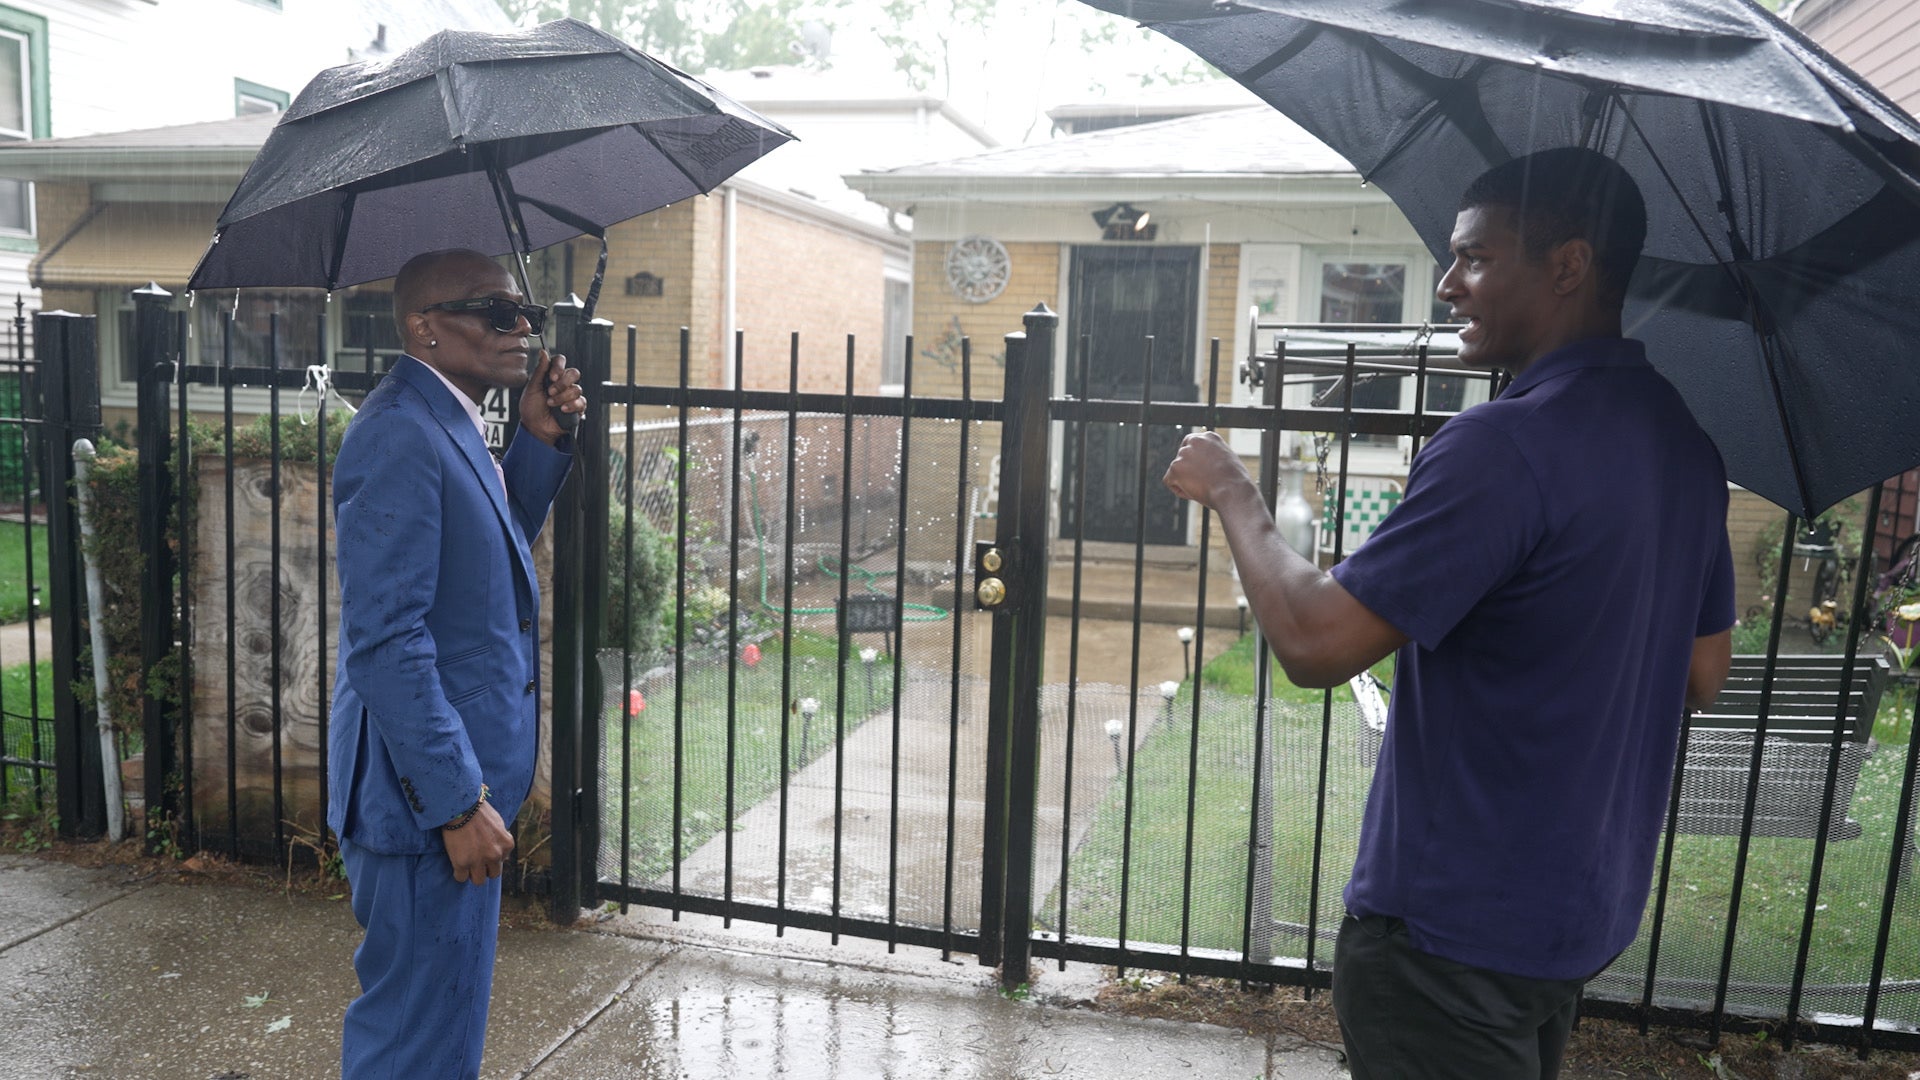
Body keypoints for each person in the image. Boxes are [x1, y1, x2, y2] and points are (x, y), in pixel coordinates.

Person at [1163, 147, 1734, 1079]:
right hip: (1573, 921)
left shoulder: (1504, 445)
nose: (1448, 283)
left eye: (1474, 257)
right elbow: (1703, 671)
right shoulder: (1684, 444)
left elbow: (1314, 643)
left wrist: (1234, 492)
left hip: (1447, 945)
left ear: (1568, 265)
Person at [326, 248, 585, 1079]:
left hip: (457, 793)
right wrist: (454, 801)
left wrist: (539, 442)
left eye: (525, 313)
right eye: (493, 310)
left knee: (442, 1031)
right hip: (424, 805)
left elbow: (480, 557)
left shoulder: (453, 417)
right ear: (424, 328)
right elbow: (387, 637)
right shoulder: (398, 432)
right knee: (414, 1044)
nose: (520, 329)